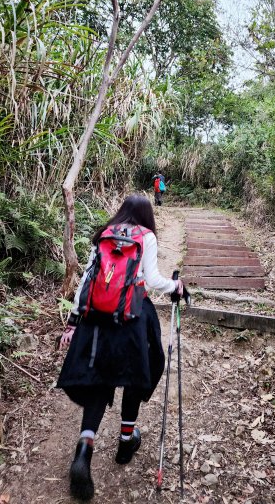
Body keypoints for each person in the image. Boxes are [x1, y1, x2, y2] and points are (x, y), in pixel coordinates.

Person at [57, 194, 183, 501]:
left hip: (97, 321)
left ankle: (84, 449)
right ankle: (126, 443)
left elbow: (87, 278)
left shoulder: (105, 233)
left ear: (122, 211)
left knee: (99, 384)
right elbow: (152, 280)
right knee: (135, 378)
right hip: (131, 319)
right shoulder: (147, 236)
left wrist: (74, 322)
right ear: (146, 215)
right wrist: (176, 286)